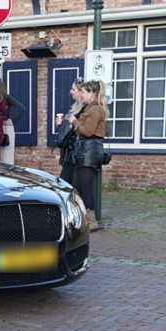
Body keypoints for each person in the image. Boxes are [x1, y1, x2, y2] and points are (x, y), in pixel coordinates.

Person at [70, 79, 108, 232]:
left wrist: (74, 122)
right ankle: (81, 220)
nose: (82, 95)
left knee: (85, 188)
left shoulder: (94, 109)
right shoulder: (91, 108)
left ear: (92, 94)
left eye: (84, 92)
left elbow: (88, 131)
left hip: (89, 149)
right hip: (86, 149)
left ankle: (91, 222)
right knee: (77, 187)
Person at [55, 79, 84, 187]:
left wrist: (63, 123)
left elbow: (76, 127)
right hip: (69, 152)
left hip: (74, 152)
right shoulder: (75, 106)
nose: (71, 91)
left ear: (81, 92)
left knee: (65, 184)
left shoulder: (83, 109)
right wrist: (63, 124)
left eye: (73, 89)